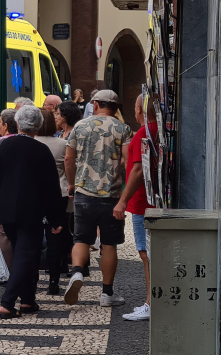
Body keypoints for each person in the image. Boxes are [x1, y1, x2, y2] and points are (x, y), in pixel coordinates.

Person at [0, 106, 64, 318]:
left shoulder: (2, 146)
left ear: (18, 123)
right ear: (37, 126)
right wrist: (56, 217)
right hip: (32, 210)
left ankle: (28, 300)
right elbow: (51, 187)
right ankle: (7, 303)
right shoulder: (41, 150)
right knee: (25, 253)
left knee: (23, 253)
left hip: (5, 208)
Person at [64, 90, 133, 307]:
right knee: (109, 243)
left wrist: (73, 183)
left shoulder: (80, 126)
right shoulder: (123, 128)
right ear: (115, 107)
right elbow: (128, 160)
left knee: (81, 238)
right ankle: (107, 293)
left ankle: (76, 272)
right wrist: (118, 171)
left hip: (84, 192)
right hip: (111, 196)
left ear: (94, 104)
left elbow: (68, 158)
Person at [117, 94, 158, 322]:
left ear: (140, 110)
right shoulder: (156, 130)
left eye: (135, 107)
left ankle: (150, 302)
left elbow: (137, 170)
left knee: (146, 254)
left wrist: (123, 200)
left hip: (143, 202)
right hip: (149, 200)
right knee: (149, 254)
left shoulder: (144, 132)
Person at [36, 109, 70, 295]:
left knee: (32, 237)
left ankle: (32, 278)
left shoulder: (31, 143)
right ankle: (54, 282)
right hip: (58, 193)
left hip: (35, 194)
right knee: (55, 236)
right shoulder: (62, 144)